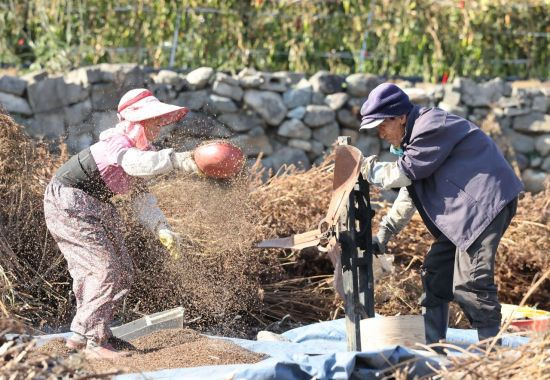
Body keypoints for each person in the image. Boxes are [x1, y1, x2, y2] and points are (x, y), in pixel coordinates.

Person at [358, 83, 522, 348]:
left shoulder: (429, 126)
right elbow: (408, 193)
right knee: (435, 274)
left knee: (471, 283)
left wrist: (365, 169)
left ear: (400, 116)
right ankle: (435, 351)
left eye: (382, 124)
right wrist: (384, 234)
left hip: (485, 204)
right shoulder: (410, 142)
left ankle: (491, 355)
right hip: (461, 214)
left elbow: (401, 175)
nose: (380, 132)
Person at [43, 88, 202, 359]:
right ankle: (89, 340)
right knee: (103, 269)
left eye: (158, 121)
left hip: (97, 205)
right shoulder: (116, 143)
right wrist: (176, 160)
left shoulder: (145, 152)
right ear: (133, 121)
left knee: (123, 270)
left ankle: (98, 331)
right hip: (68, 201)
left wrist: (161, 229)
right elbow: (133, 164)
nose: (157, 127)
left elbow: (142, 199)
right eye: (151, 121)